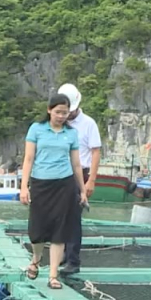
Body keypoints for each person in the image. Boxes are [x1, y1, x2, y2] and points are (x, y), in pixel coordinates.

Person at [20, 93, 88, 289]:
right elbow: (29, 159)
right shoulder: (37, 129)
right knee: (37, 228)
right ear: (49, 110)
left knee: (60, 230)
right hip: (41, 184)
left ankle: (53, 275)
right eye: (58, 112)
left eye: (65, 113)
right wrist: (24, 187)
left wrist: (82, 190)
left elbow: (76, 165)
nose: (61, 116)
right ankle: (36, 258)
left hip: (64, 185)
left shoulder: (71, 134)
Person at [56, 83, 102, 276]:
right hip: (59, 173)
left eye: (70, 111)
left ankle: (73, 261)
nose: (68, 115)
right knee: (59, 218)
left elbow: (95, 151)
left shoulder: (88, 124)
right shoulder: (58, 123)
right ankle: (64, 255)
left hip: (79, 174)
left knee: (74, 219)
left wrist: (91, 180)